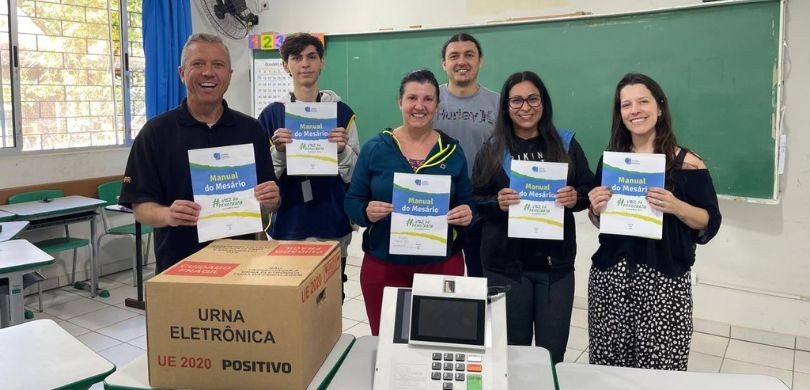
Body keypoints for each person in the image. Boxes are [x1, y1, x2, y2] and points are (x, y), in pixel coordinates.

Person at [587, 72, 722, 370]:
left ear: (660, 108)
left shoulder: (687, 163)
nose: (635, 110)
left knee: (661, 371)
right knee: (607, 371)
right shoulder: (611, 161)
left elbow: (709, 222)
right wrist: (596, 209)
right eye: (626, 104)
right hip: (611, 279)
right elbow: (600, 222)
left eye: (643, 101)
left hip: (664, 283)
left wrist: (675, 206)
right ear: (620, 113)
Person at [120, 33, 281, 273]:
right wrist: (167, 214)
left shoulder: (252, 130)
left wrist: (272, 199)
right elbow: (141, 207)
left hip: (243, 266)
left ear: (229, 75)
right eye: (198, 64)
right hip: (180, 266)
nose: (208, 72)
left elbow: (269, 203)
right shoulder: (155, 133)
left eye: (218, 65)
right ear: (182, 73)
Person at [472, 71, 594, 364]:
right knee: (513, 354)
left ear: (543, 102)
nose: (525, 107)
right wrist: (496, 202)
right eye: (516, 100)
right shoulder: (491, 150)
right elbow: (474, 202)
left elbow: (589, 189)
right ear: (506, 106)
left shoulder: (565, 144)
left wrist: (574, 197)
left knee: (552, 354)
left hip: (555, 268)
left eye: (532, 99)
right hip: (505, 265)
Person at [344, 69, 475, 335]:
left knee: (437, 341)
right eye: (412, 98)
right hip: (383, 265)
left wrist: (467, 213)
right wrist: (365, 212)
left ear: (437, 105)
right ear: (400, 102)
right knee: (386, 343)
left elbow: (467, 202)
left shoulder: (452, 151)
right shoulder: (375, 148)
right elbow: (353, 201)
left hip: (440, 265)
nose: (419, 106)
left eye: (428, 99)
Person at [257, 32, 359, 300]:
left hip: (332, 221)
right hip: (289, 222)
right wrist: (278, 152)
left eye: (312, 57)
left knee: (329, 301)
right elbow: (262, 178)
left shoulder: (342, 113)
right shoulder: (270, 116)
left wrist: (341, 151)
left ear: (322, 62)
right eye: (296, 57)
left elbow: (356, 175)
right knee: (289, 303)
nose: (305, 63)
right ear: (285, 65)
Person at [433, 32, 499, 278]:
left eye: (469, 55)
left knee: (479, 279)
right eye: (454, 56)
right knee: (440, 280)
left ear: (480, 61)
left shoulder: (498, 103)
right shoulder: (429, 101)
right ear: (444, 63)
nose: (462, 61)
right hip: (436, 207)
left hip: (482, 208)